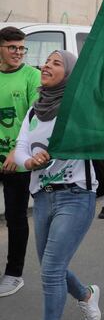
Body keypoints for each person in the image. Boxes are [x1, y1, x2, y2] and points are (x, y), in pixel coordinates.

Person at [13, 50, 102, 320]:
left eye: (56, 62)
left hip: (76, 196)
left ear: (70, 74)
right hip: (44, 197)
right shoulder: (34, 111)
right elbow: (20, 149)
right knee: (54, 266)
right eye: (46, 61)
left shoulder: (78, 106)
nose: (46, 66)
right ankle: (88, 294)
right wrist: (29, 161)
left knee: (50, 269)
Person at [0, 26, 38, 297]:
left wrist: (16, 151)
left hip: (18, 162)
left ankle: (14, 273)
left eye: (22, 47)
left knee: (15, 217)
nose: (18, 53)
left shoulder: (31, 76)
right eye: (12, 47)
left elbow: (35, 119)